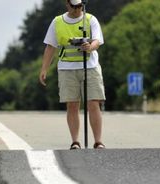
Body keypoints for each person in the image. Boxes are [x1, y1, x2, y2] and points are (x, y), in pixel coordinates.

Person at [39, 0, 106, 150]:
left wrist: (90, 47)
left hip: (90, 66)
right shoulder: (57, 22)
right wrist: (44, 69)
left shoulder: (90, 19)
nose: (77, 9)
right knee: (72, 105)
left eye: (79, 6)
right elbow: (50, 46)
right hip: (66, 68)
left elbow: (97, 40)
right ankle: (75, 141)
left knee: (93, 103)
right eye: (74, 6)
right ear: (67, 4)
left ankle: (98, 141)